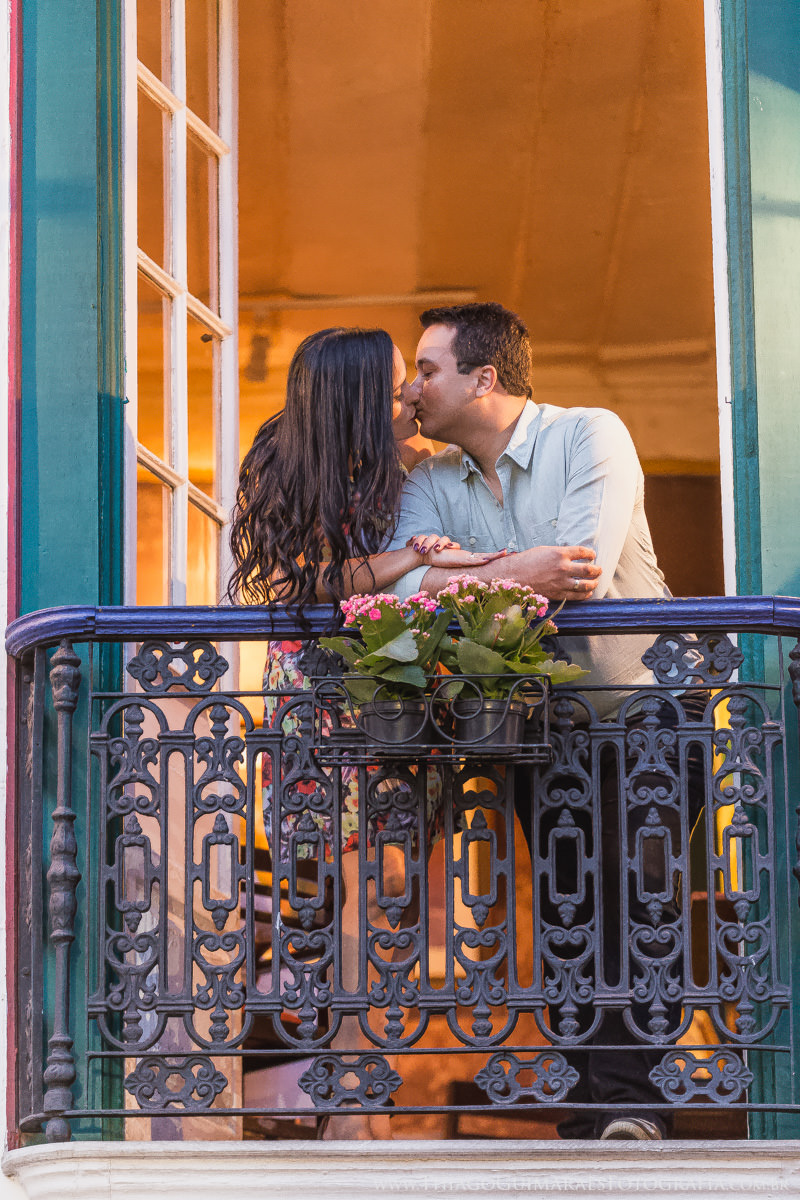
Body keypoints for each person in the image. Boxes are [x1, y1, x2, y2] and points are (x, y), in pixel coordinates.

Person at [384, 301, 692, 1141]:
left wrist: (462, 572)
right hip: (540, 722)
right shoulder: (428, 481)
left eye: (428, 369)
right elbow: (399, 595)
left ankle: (632, 1108)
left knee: (633, 893)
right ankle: (588, 1114)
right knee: (565, 905)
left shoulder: (592, 434)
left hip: (646, 710)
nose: (413, 388)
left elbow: (579, 569)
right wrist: (521, 566)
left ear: (484, 378)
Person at [228, 326, 504, 1139]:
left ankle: (364, 1087)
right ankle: (349, 1100)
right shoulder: (284, 459)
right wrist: (409, 564)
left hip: (394, 686)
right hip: (320, 699)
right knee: (342, 891)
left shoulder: (408, 467)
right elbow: (295, 584)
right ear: (352, 401)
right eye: (392, 387)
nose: (410, 395)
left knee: (393, 888)